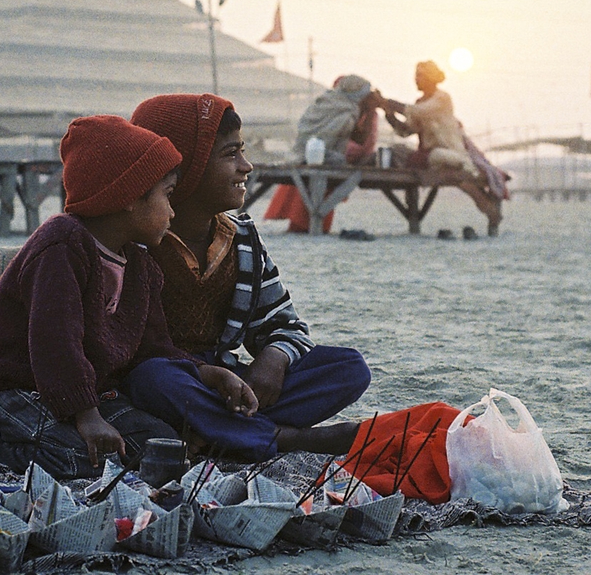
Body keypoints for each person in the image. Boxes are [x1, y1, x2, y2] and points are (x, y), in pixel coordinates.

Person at [129, 93, 371, 459]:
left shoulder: (242, 239)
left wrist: (273, 359)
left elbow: (284, 325)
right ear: (184, 168)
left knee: (348, 367)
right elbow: (120, 351)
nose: (247, 166)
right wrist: (204, 374)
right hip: (169, 382)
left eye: (242, 152)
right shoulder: (137, 244)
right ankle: (285, 439)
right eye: (231, 154)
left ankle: (218, 431)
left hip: (230, 390)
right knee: (153, 378)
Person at [0, 115, 193, 479]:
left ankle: (39, 435)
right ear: (130, 195)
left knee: (158, 443)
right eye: (168, 195)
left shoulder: (141, 264)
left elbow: (154, 346)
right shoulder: (63, 244)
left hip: (79, 395)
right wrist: (87, 416)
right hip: (12, 388)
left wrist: (206, 372)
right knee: (87, 462)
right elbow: (54, 340)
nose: (173, 212)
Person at [384, 60, 509, 236]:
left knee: (445, 162)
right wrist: (388, 113)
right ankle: (490, 212)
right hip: (430, 155)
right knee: (440, 163)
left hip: (449, 151)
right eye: (416, 76)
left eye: (420, 76)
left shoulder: (442, 99)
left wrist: (388, 103)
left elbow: (419, 111)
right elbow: (407, 130)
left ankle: (490, 211)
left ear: (430, 79)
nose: (416, 80)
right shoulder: (419, 102)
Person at [264, 75, 384, 233]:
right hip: (321, 156)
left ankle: (305, 226)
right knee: (320, 182)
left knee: (317, 187)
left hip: (305, 154)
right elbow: (353, 139)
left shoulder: (328, 101)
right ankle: (307, 226)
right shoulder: (346, 110)